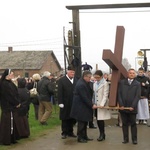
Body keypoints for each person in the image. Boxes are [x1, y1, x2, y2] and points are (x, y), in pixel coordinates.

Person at [118, 68, 141, 145]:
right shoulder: (122, 82)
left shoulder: (137, 84)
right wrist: (121, 104)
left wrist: (133, 106)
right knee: (124, 124)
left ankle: (134, 139)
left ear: (135, 74)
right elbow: (119, 94)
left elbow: (137, 96)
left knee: (133, 124)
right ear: (128, 74)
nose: (131, 74)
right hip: (123, 107)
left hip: (132, 108)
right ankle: (125, 139)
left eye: (133, 73)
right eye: (130, 73)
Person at [70, 70, 94, 143]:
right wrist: (92, 105)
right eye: (89, 77)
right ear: (85, 76)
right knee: (81, 123)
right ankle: (80, 137)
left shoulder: (84, 83)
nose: (90, 79)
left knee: (85, 122)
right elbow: (84, 97)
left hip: (83, 106)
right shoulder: (81, 84)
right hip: (80, 107)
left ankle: (84, 136)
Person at [0, 69, 21, 145]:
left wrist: (18, 101)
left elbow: (15, 93)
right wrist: (16, 103)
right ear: (7, 75)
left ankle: (12, 138)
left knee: (12, 122)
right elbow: (9, 95)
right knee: (7, 123)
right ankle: (6, 139)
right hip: (7, 106)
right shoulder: (4, 84)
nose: (13, 75)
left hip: (12, 106)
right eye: (11, 74)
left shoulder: (10, 83)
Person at [57, 66, 78, 139]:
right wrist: (60, 102)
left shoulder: (76, 80)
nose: (72, 74)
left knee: (72, 118)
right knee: (65, 118)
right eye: (71, 72)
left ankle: (70, 132)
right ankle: (64, 132)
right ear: (67, 72)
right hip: (65, 103)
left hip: (73, 102)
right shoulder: (62, 80)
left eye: (73, 72)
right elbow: (59, 92)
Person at [92, 70, 111, 141]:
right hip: (96, 104)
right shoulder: (95, 83)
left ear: (101, 76)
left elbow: (105, 95)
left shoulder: (105, 83)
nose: (97, 79)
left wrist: (102, 104)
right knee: (97, 119)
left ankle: (102, 134)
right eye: (95, 77)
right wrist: (93, 103)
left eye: (98, 77)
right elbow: (94, 94)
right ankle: (101, 133)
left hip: (101, 104)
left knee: (101, 119)